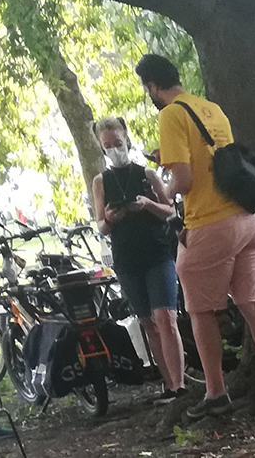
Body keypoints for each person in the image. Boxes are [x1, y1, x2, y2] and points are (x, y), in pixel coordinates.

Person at [136, 54, 255, 418]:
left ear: (153, 86)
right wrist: (173, 159)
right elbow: (210, 160)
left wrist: (165, 185)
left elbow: (186, 181)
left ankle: (216, 393)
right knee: (252, 304)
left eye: (148, 89)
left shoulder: (170, 114)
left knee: (200, 312)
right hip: (248, 220)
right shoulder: (211, 109)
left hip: (210, 223)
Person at [88, 117, 187, 402]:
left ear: (126, 140)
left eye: (117, 143)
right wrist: (109, 217)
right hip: (127, 260)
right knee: (148, 322)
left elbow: (169, 210)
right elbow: (101, 225)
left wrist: (146, 204)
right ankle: (168, 384)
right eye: (107, 146)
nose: (113, 149)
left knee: (166, 317)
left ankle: (180, 384)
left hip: (157, 253)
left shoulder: (146, 174)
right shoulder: (100, 182)